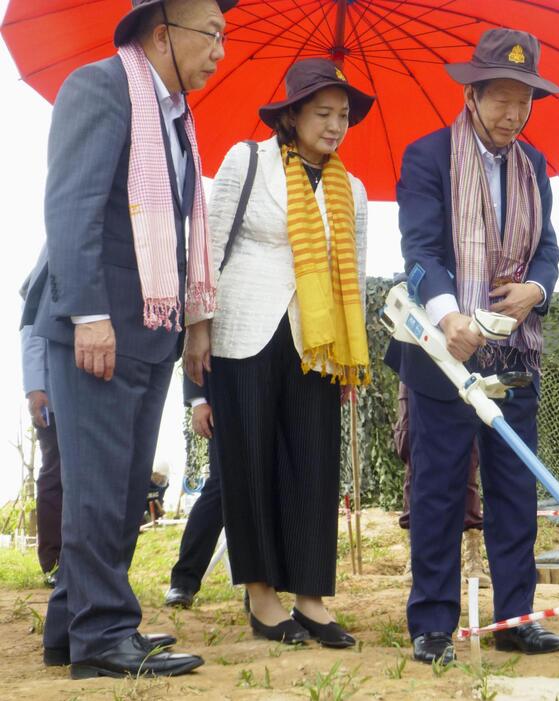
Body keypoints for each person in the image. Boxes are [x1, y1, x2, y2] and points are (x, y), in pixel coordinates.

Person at [21, 0, 236, 678]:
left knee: (118, 491)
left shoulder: (177, 122)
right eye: (212, 34)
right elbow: (71, 205)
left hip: (150, 332)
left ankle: (71, 628)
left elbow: (178, 232)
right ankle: (105, 633)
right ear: (162, 32)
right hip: (100, 328)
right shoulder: (101, 88)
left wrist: (196, 322)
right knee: (98, 491)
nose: (220, 51)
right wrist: (86, 310)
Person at [385, 28, 559, 665]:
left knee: (514, 486)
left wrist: (534, 291)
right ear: (473, 93)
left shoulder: (534, 164)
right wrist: (447, 318)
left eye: (524, 101)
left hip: (514, 353)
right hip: (444, 352)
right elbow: (420, 250)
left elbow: (548, 247)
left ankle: (516, 617)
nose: (513, 114)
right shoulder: (428, 156)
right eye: (501, 99)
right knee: (437, 488)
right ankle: (432, 623)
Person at [184, 57, 372, 648]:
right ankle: (262, 597)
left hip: (318, 343)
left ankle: (311, 598)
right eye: (323, 113)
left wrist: (350, 354)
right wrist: (197, 333)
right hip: (245, 332)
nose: (335, 125)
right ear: (290, 115)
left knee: (314, 464)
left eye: (343, 115)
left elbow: (357, 278)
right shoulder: (247, 160)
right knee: (249, 464)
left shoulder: (353, 190)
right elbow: (208, 251)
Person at [394, 382, 490, 587]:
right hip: (415, 364)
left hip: (462, 367)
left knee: (468, 455)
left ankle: (472, 556)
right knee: (412, 448)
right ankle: (416, 555)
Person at [20, 249, 61, 586]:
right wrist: (35, 388)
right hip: (51, 394)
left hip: (85, 388)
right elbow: (30, 334)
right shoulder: (41, 271)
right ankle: (53, 561)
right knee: (55, 472)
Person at [163, 375, 223, 608]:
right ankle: (184, 580)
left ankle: (259, 585)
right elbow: (194, 342)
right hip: (226, 394)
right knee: (220, 487)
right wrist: (199, 401)